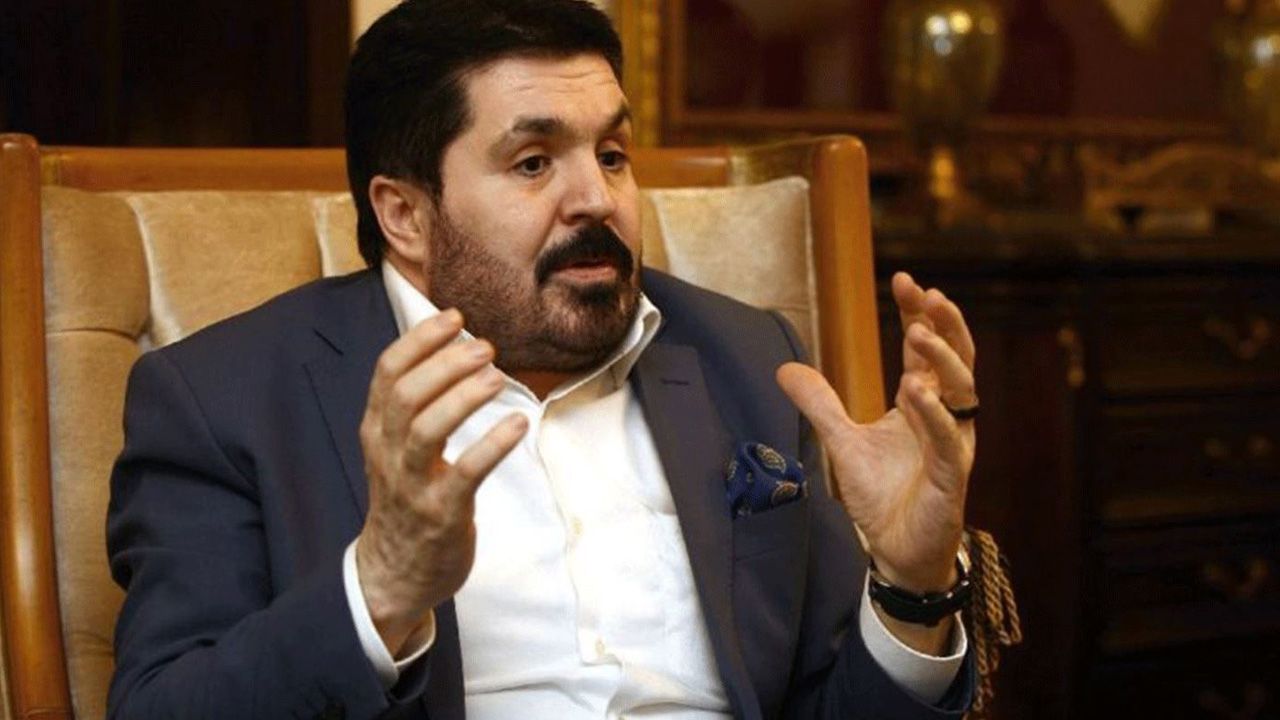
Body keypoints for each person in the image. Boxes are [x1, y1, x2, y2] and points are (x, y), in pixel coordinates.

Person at [106, 0, 981, 718]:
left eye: (612, 154)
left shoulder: (749, 359)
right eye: (532, 163)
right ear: (405, 215)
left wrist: (911, 587)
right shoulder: (222, 398)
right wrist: (379, 589)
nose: (596, 197)